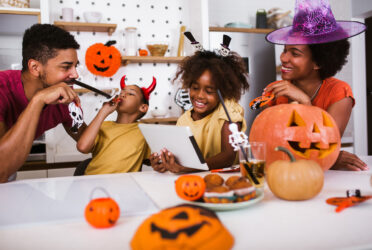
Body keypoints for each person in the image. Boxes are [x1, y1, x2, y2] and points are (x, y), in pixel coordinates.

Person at [263, 0, 368, 171]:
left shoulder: (339, 92)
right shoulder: (276, 90)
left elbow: (326, 144)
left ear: (318, 62)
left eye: (294, 53)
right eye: (284, 50)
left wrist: (304, 101)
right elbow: (269, 147)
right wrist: (331, 157)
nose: (283, 58)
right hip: (282, 173)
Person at [0, 24, 87, 182]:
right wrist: (38, 100)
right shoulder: (2, 88)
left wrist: (109, 111)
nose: (75, 74)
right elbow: (1, 169)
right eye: (66, 67)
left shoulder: (62, 96)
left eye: (76, 66)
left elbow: (88, 142)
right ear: (35, 67)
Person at [150, 34, 249, 173]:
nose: (200, 96)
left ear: (224, 92)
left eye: (209, 91)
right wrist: (164, 162)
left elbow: (228, 156)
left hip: (226, 181)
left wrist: (187, 168)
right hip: (194, 182)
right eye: (195, 88)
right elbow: (180, 160)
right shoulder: (184, 120)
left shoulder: (228, 110)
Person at [76, 76, 155, 175]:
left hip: (123, 186)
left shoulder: (145, 131)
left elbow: (154, 160)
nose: (122, 95)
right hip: (92, 182)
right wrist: (103, 112)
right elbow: (83, 147)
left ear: (143, 107)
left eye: (130, 93)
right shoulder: (103, 125)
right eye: (121, 92)